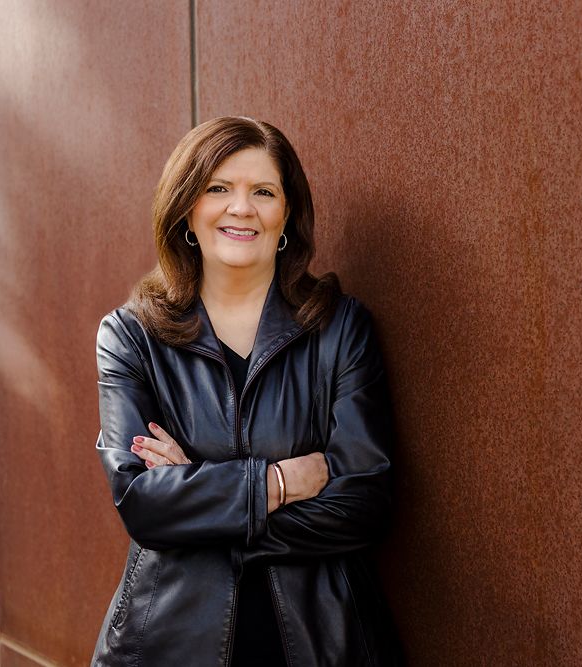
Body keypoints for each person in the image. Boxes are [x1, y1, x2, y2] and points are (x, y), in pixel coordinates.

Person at [90, 116, 403, 665]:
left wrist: (199, 499)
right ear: (188, 208)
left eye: (263, 191)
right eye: (218, 189)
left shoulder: (339, 328)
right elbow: (143, 505)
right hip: (169, 642)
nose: (241, 207)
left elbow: (365, 502)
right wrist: (279, 480)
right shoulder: (131, 336)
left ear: (287, 216)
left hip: (322, 640)